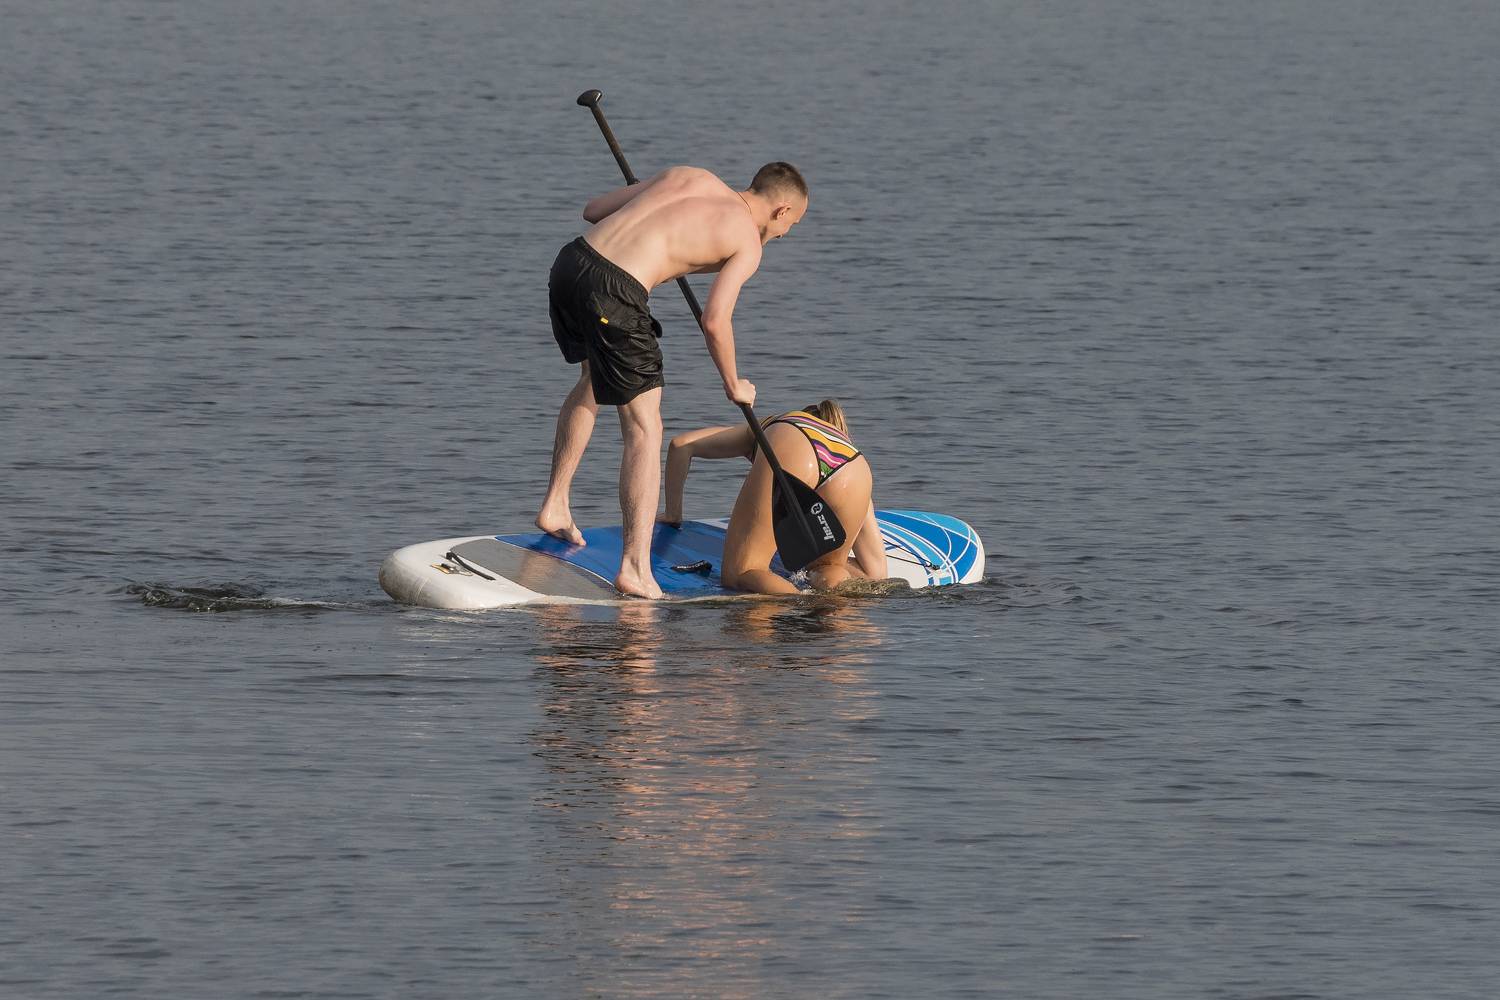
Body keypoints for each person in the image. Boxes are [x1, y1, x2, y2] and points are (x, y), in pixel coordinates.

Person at [538, 162, 809, 599]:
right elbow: (715, 321)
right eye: (789, 227)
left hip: (571, 264)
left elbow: (593, 211)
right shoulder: (746, 240)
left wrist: (663, 233)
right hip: (615, 292)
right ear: (782, 210)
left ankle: (555, 503)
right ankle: (635, 568)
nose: (782, 235)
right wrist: (734, 383)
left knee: (591, 378)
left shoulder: (691, 176)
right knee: (645, 428)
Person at [660, 400, 888, 595]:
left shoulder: (770, 426)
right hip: (854, 468)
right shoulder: (844, 447)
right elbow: (876, 572)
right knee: (826, 569)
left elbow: (681, 445)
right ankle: (835, 615)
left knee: (742, 571)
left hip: (794, 441)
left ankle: (797, 605)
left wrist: (673, 513)